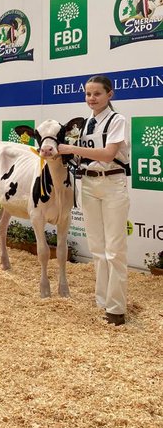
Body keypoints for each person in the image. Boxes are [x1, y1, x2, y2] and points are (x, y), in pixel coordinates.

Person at [57, 75, 130, 325]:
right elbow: (83, 157)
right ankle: (102, 300)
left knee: (114, 249)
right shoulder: (86, 124)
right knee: (97, 248)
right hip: (87, 183)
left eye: (97, 93)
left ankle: (117, 309)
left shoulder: (116, 120)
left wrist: (71, 149)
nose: (91, 98)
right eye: (88, 94)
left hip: (112, 183)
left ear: (110, 95)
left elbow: (109, 154)